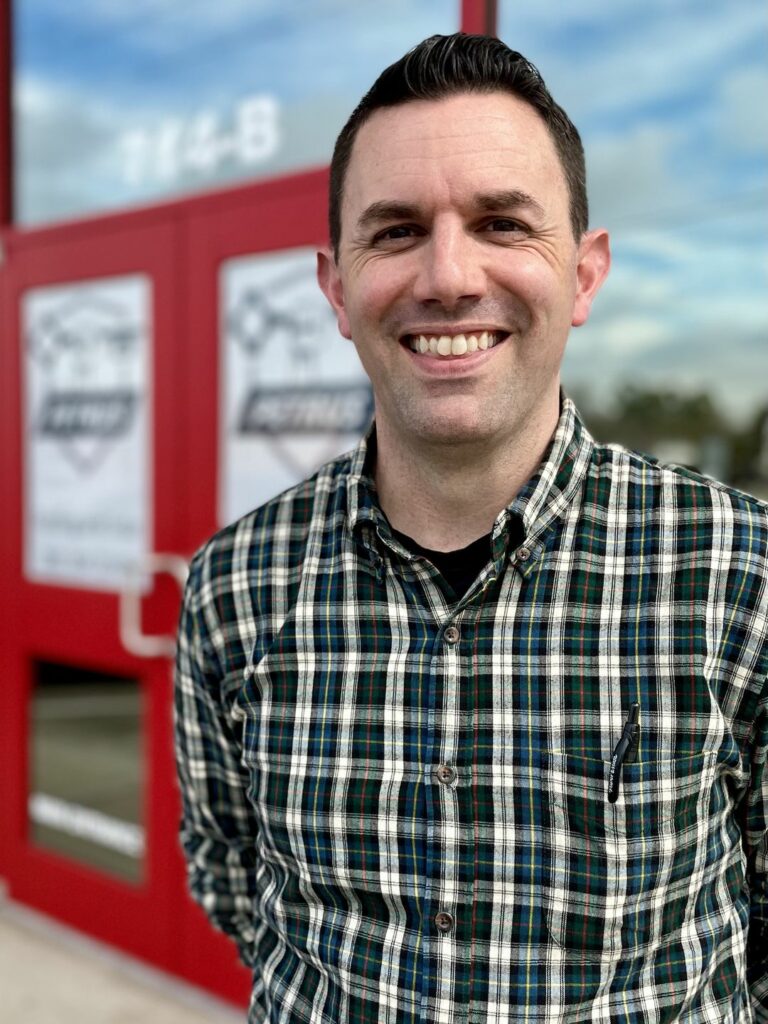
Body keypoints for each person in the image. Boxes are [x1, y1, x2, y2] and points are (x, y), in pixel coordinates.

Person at [174, 32, 768, 1023]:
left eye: (500, 223)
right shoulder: (236, 586)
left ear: (584, 274)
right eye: (396, 230)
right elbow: (235, 880)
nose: (448, 275)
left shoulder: (739, 575)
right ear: (335, 285)